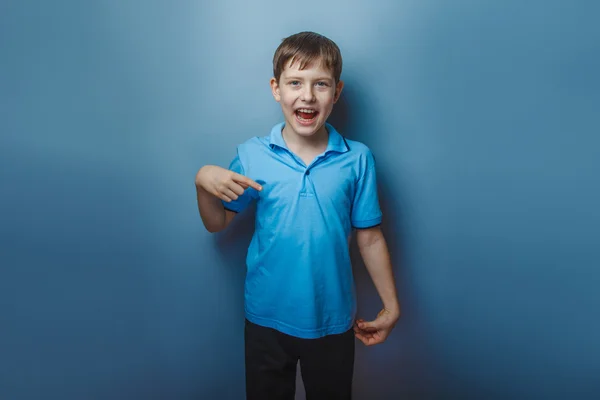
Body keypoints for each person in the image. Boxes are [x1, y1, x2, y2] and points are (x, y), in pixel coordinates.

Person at [194, 31, 400, 400]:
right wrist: (201, 182)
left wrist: (391, 304)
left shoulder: (357, 159)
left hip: (332, 319)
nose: (307, 95)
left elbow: (369, 236)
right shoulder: (252, 155)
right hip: (265, 318)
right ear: (276, 89)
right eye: (295, 83)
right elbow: (217, 223)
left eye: (320, 84)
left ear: (336, 93)